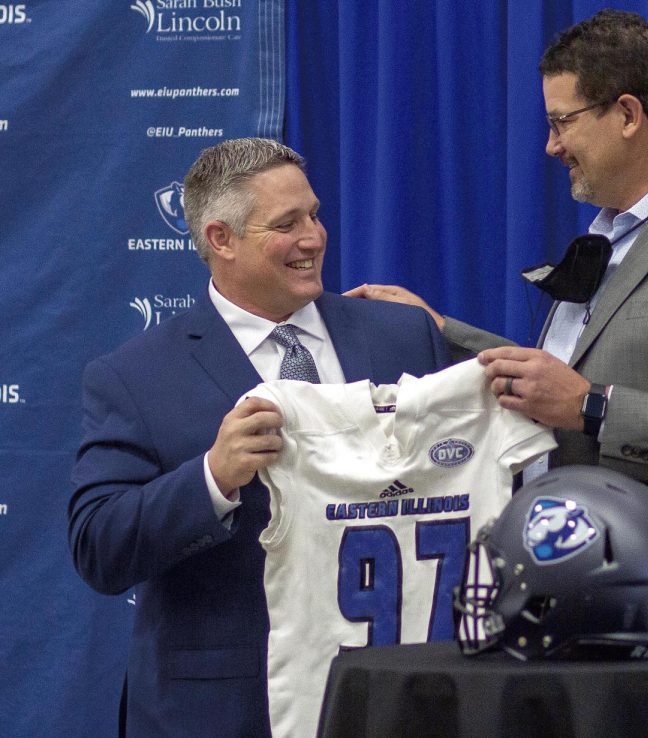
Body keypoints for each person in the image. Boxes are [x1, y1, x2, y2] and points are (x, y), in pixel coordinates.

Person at [346, 9, 648, 639]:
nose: (550, 146)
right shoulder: (606, 238)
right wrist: (439, 330)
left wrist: (595, 408)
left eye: (560, 122)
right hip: (572, 598)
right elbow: (565, 384)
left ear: (627, 115)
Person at [68, 138, 449, 737]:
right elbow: (99, 547)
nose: (314, 238)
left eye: (315, 215)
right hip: (227, 710)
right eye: (286, 224)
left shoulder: (405, 337)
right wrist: (212, 478)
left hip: (393, 694)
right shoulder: (134, 376)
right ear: (221, 239)